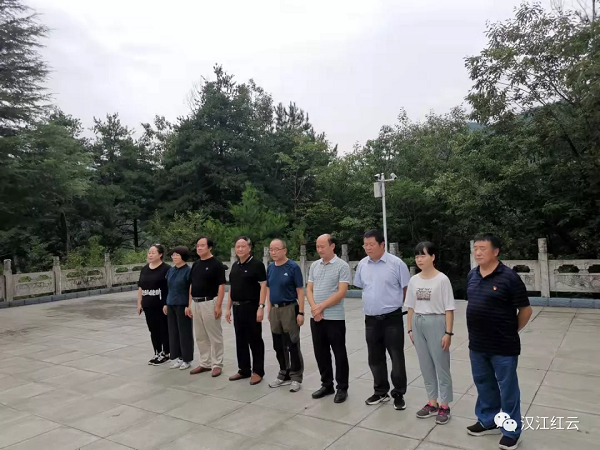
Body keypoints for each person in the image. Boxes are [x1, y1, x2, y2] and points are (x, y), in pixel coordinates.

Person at [466, 234, 532, 450]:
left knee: (508, 388)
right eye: (476, 248)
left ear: (496, 252)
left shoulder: (509, 277)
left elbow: (525, 310)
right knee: (484, 383)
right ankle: (488, 420)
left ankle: (512, 431)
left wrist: (511, 330)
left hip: (503, 345)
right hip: (477, 344)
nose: (478, 252)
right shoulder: (472, 275)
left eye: (483, 248)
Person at [354, 229, 410, 410]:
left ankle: (399, 393)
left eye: (371, 244)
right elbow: (363, 287)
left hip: (392, 318)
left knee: (396, 356)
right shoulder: (362, 264)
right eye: (365, 245)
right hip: (371, 319)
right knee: (375, 357)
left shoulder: (397, 264)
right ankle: (380, 391)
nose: (368, 248)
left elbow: (406, 289)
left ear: (382, 245)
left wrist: (394, 305)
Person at [405, 241, 456, 425]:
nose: (419, 259)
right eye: (417, 256)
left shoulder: (442, 279)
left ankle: (445, 405)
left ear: (433, 257)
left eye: (423, 255)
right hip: (418, 322)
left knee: (441, 365)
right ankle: (432, 402)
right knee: (425, 365)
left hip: (437, 322)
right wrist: (410, 329)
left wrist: (448, 333)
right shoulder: (414, 280)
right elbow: (410, 307)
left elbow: (449, 308)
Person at [306, 234, 351, 404]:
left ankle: (342, 387)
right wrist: (314, 308)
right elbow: (309, 289)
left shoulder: (342, 266)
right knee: (321, 352)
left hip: (334, 318)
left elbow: (341, 292)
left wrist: (321, 307)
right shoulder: (314, 266)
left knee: (339, 353)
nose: (319, 249)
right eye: (317, 246)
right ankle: (327, 384)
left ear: (332, 246)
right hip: (317, 317)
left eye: (322, 246)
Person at [226, 236, 267, 385]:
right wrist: (228, 308)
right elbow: (232, 288)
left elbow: (263, 286)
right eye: (238, 246)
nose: (240, 249)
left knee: (255, 339)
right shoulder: (235, 265)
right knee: (240, 339)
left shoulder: (257, 265)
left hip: (252, 307)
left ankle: (258, 371)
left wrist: (261, 307)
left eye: (243, 246)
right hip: (237, 307)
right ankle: (244, 369)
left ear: (249, 248)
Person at [266, 238, 305, 392]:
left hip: (289, 308)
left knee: (292, 343)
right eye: (271, 249)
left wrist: (301, 312)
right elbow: (269, 288)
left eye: (276, 249)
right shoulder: (270, 267)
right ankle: (284, 373)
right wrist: (269, 308)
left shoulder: (293, 267)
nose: (273, 252)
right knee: (278, 344)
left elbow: (300, 291)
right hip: (275, 310)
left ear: (284, 250)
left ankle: (296, 376)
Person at [188, 236, 226, 377]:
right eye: (197, 245)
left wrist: (218, 306)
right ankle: (205, 363)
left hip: (209, 302)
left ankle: (217, 364)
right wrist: (189, 304)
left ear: (209, 247)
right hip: (195, 303)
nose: (199, 248)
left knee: (214, 335)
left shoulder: (217, 264)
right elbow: (191, 285)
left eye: (202, 245)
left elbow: (221, 286)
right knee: (200, 335)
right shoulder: (196, 264)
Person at [137, 244, 171, 365]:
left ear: (160, 254)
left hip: (161, 305)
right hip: (148, 304)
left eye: (153, 252)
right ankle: (157, 352)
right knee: (153, 329)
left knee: (163, 329)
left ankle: (166, 353)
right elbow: (140, 287)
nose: (150, 255)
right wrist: (139, 303)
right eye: (149, 252)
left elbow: (170, 287)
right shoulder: (145, 269)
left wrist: (167, 303)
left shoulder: (166, 269)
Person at [165, 246, 194, 370]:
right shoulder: (171, 270)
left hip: (182, 304)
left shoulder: (188, 271)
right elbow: (168, 288)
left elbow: (191, 289)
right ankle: (177, 357)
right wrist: (166, 303)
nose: (174, 257)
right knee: (173, 332)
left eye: (177, 255)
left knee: (184, 332)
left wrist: (189, 305)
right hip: (171, 303)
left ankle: (186, 358)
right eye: (173, 255)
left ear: (183, 256)